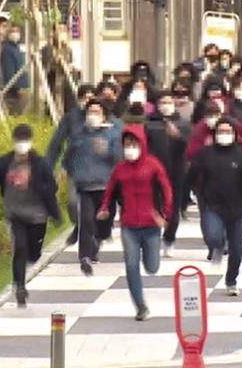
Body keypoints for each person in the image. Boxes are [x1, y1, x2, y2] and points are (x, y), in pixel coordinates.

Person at [98, 125, 173, 321]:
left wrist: (165, 214)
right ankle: (140, 306)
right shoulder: (119, 169)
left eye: (133, 143)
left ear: (141, 144)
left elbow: (166, 190)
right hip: (129, 225)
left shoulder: (153, 165)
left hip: (151, 225)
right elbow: (109, 191)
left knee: (152, 267)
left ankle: (151, 260)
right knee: (131, 265)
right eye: (126, 144)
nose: (130, 148)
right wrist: (105, 208)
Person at [0, 124, 61, 307]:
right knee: (19, 248)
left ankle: (31, 259)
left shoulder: (39, 163)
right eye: (19, 140)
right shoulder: (3, 163)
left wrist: (43, 188)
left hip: (37, 215)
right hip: (15, 214)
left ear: (30, 142)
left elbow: (52, 187)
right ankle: (19, 286)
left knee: (33, 254)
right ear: (14, 141)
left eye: (25, 141)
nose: (22, 145)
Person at [186, 117, 242, 294]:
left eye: (228, 132)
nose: (224, 135)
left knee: (236, 249)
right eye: (221, 132)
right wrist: (188, 193)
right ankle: (218, 246)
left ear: (235, 135)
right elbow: (192, 173)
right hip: (212, 203)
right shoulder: (206, 153)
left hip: (237, 207)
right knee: (213, 236)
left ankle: (231, 280)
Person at [67, 99, 123, 275]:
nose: (93, 116)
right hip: (85, 186)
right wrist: (71, 172)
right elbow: (70, 156)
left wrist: (108, 150)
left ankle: (96, 243)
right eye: (90, 112)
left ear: (104, 115)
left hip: (107, 186)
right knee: (86, 221)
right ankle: (84, 256)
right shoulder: (79, 134)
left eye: (97, 112)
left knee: (104, 224)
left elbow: (120, 158)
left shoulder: (113, 134)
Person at [45, 83, 95, 245]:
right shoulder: (71, 118)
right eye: (84, 97)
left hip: (99, 170)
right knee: (73, 203)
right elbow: (56, 144)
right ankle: (79, 226)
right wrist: (49, 168)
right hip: (76, 168)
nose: (87, 101)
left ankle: (90, 237)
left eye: (91, 97)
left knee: (94, 206)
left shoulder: (104, 117)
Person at [145, 91, 192, 258]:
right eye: (162, 102)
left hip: (176, 172)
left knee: (173, 207)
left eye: (169, 102)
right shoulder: (150, 124)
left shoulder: (183, 124)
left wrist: (178, 136)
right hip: (154, 172)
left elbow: (189, 147)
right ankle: (153, 239)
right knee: (154, 206)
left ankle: (169, 238)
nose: (166, 105)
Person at [0, 24, 30, 114]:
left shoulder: (17, 48)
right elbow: (9, 71)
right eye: (13, 31)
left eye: (17, 31)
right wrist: (17, 87)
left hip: (22, 86)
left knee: (21, 111)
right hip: (14, 89)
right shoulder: (7, 49)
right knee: (15, 111)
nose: (15, 34)